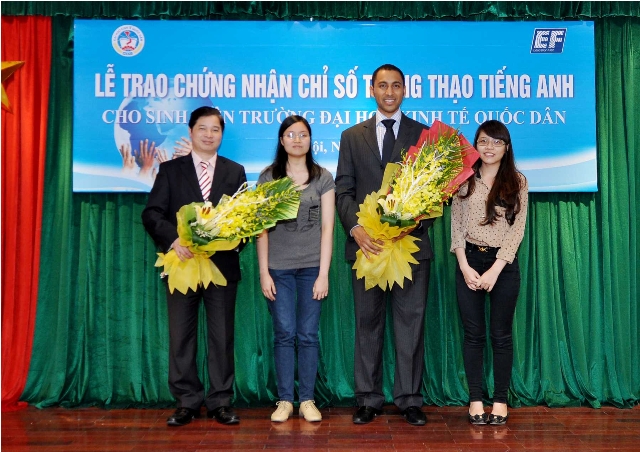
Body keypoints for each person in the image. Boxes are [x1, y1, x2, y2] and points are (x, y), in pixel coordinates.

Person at [335, 64, 434, 426]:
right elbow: (343, 190)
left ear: (405, 90)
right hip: (367, 248)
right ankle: (368, 398)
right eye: (382, 86)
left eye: (395, 86)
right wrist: (356, 229)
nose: (389, 92)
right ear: (371, 90)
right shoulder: (351, 136)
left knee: (411, 324)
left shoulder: (423, 134)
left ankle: (409, 398)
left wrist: (411, 225)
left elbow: (433, 193)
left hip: (410, 246)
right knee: (367, 323)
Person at [141, 106, 247, 427]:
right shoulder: (171, 170)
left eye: (215, 129)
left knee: (222, 337)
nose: (209, 135)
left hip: (221, 267)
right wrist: (174, 240)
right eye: (203, 128)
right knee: (181, 336)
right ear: (190, 131)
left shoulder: (235, 171)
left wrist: (233, 241)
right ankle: (186, 401)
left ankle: (220, 401)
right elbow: (152, 213)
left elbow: (244, 220)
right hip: (183, 264)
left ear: (222, 134)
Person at [256, 115, 335, 423]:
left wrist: (323, 274)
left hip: (312, 267)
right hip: (278, 269)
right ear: (281, 140)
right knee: (284, 333)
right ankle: (285, 400)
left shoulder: (322, 177)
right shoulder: (268, 178)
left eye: (303, 134)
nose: (297, 140)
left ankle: (307, 400)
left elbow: (328, 228)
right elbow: (262, 229)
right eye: (291, 134)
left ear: (310, 140)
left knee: (308, 335)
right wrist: (264, 272)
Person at [450, 120, 529, 426]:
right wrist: (464, 266)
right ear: (476, 145)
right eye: (483, 141)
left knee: (501, 335)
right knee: (473, 335)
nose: (489, 147)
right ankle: (475, 400)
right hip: (469, 261)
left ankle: (500, 401)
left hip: (503, 267)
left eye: (497, 142)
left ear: (506, 147)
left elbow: (517, 231)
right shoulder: (464, 179)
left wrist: (496, 269)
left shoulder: (518, 182)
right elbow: (456, 226)